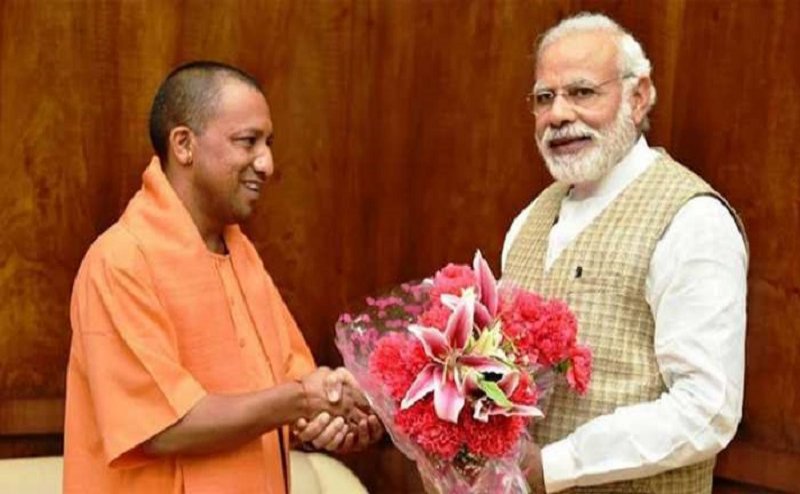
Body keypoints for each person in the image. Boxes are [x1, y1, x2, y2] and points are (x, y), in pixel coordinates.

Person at [63, 61, 382, 494]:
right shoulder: (120, 260)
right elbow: (162, 427)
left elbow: (289, 391)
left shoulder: (239, 252)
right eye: (248, 141)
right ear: (184, 145)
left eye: (268, 143)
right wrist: (305, 400)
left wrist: (333, 418)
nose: (267, 163)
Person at [502, 13, 748, 493]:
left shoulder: (692, 218)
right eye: (544, 98)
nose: (558, 115)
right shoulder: (528, 219)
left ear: (638, 98)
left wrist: (557, 464)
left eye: (582, 92)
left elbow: (707, 407)